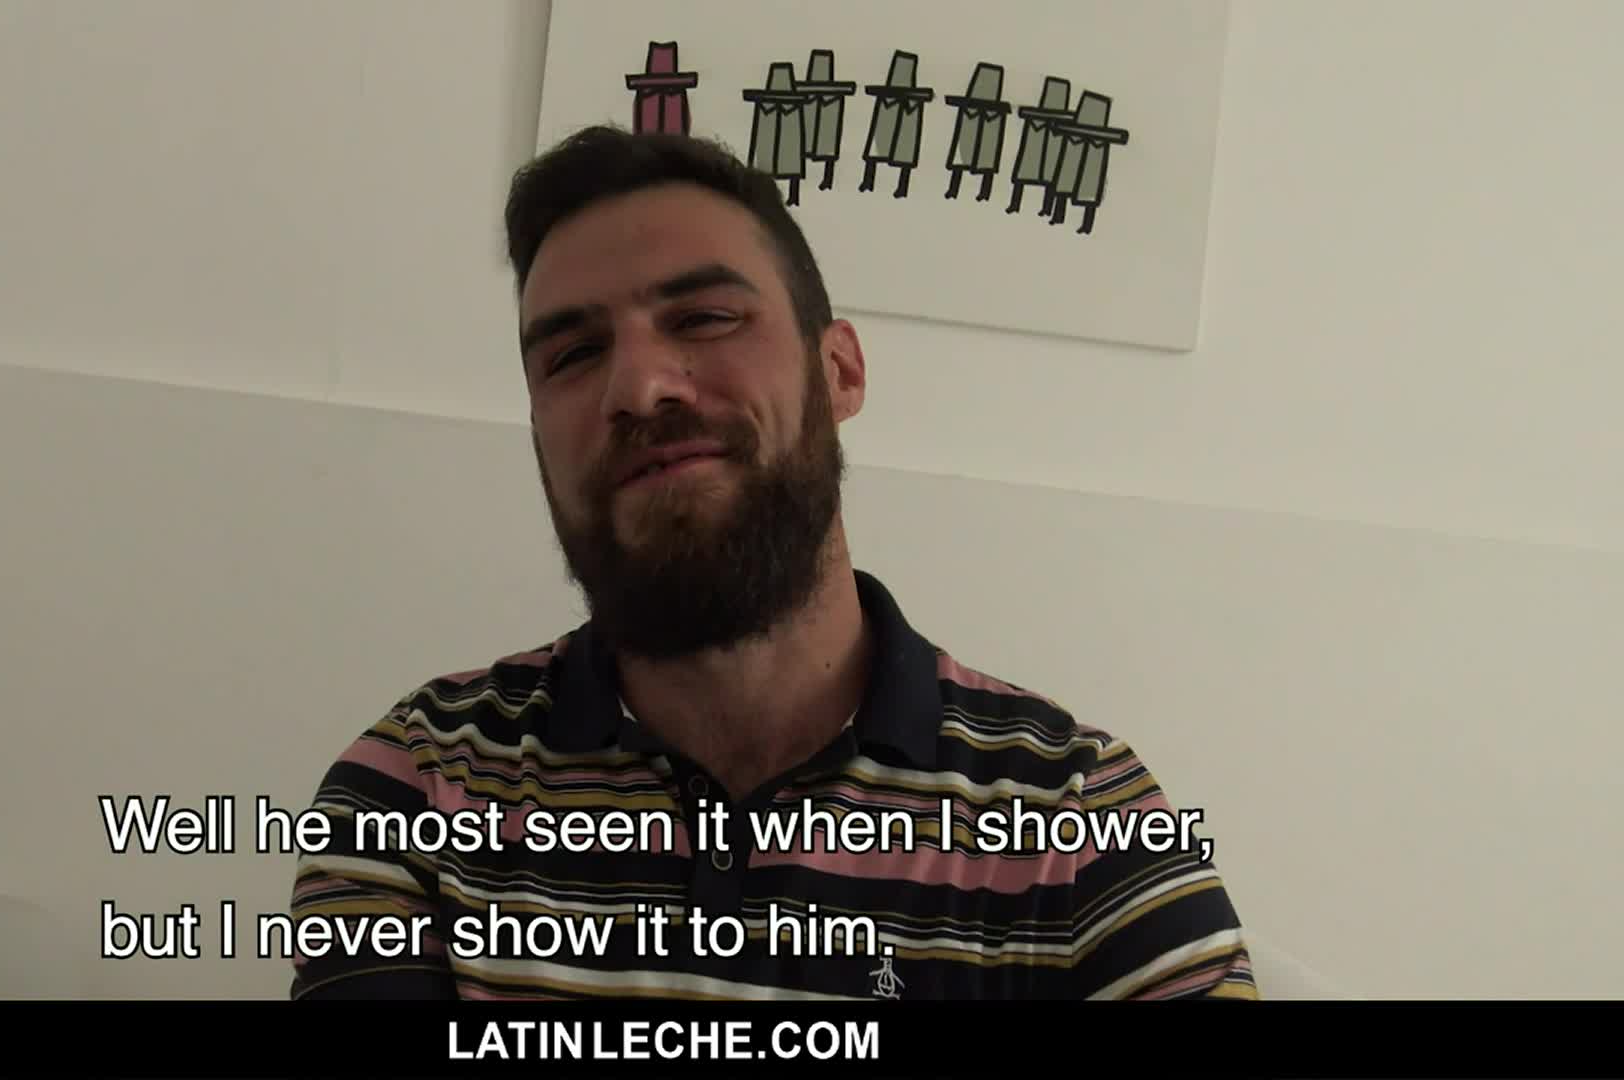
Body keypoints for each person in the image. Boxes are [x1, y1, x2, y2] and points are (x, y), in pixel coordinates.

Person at [284, 124, 1257, 1001]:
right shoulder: (414, 787)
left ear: (840, 372)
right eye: (572, 355)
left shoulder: (1077, 819)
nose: (638, 387)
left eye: (704, 317)